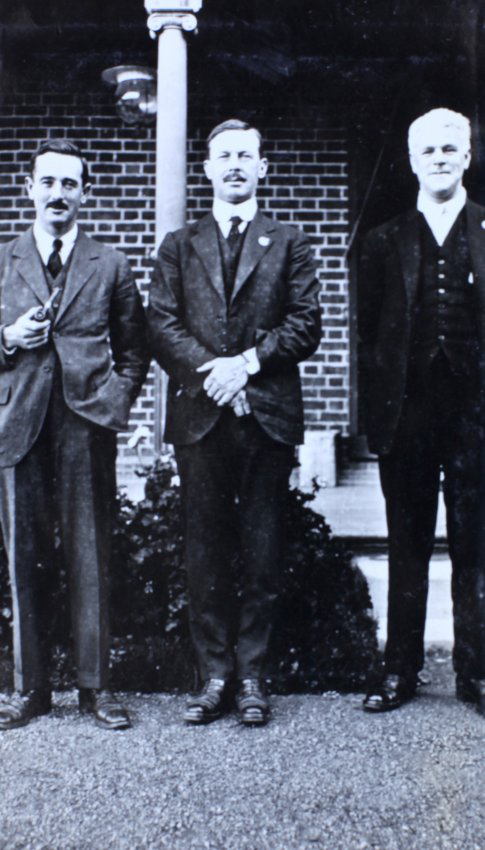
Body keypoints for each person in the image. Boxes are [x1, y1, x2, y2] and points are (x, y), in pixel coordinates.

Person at [148, 119, 321, 726]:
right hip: (201, 419)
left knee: (263, 548)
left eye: (247, 155)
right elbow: (161, 325)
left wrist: (245, 365)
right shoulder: (178, 244)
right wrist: (213, 375)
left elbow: (306, 323)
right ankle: (214, 674)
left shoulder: (290, 242)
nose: (235, 166)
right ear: (207, 168)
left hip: (267, 417)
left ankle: (253, 676)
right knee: (205, 550)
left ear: (262, 167)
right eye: (224, 157)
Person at [0, 139, 148, 730]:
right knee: (22, 556)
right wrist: (8, 337)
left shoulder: (108, 264)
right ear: (28, 188)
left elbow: (135, 353)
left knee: (90, 553)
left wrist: (110, 404)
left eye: (69, 184)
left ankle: (96, 688)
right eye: (48, 182)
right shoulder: (4, 258)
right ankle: (29, 689)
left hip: (84, 426)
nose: (58, 194)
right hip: (18, 425)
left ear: (85, 192)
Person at [359, 108, 485, 713]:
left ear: (468, 157)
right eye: (427, 150)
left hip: (475, 415)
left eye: (449, 149)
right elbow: (368, 338)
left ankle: (475, 674)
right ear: (412, 162)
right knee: (406, 543)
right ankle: (399, 673)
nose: (438, 158)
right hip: (407, 414)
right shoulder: (384, 240)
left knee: (476, 546)